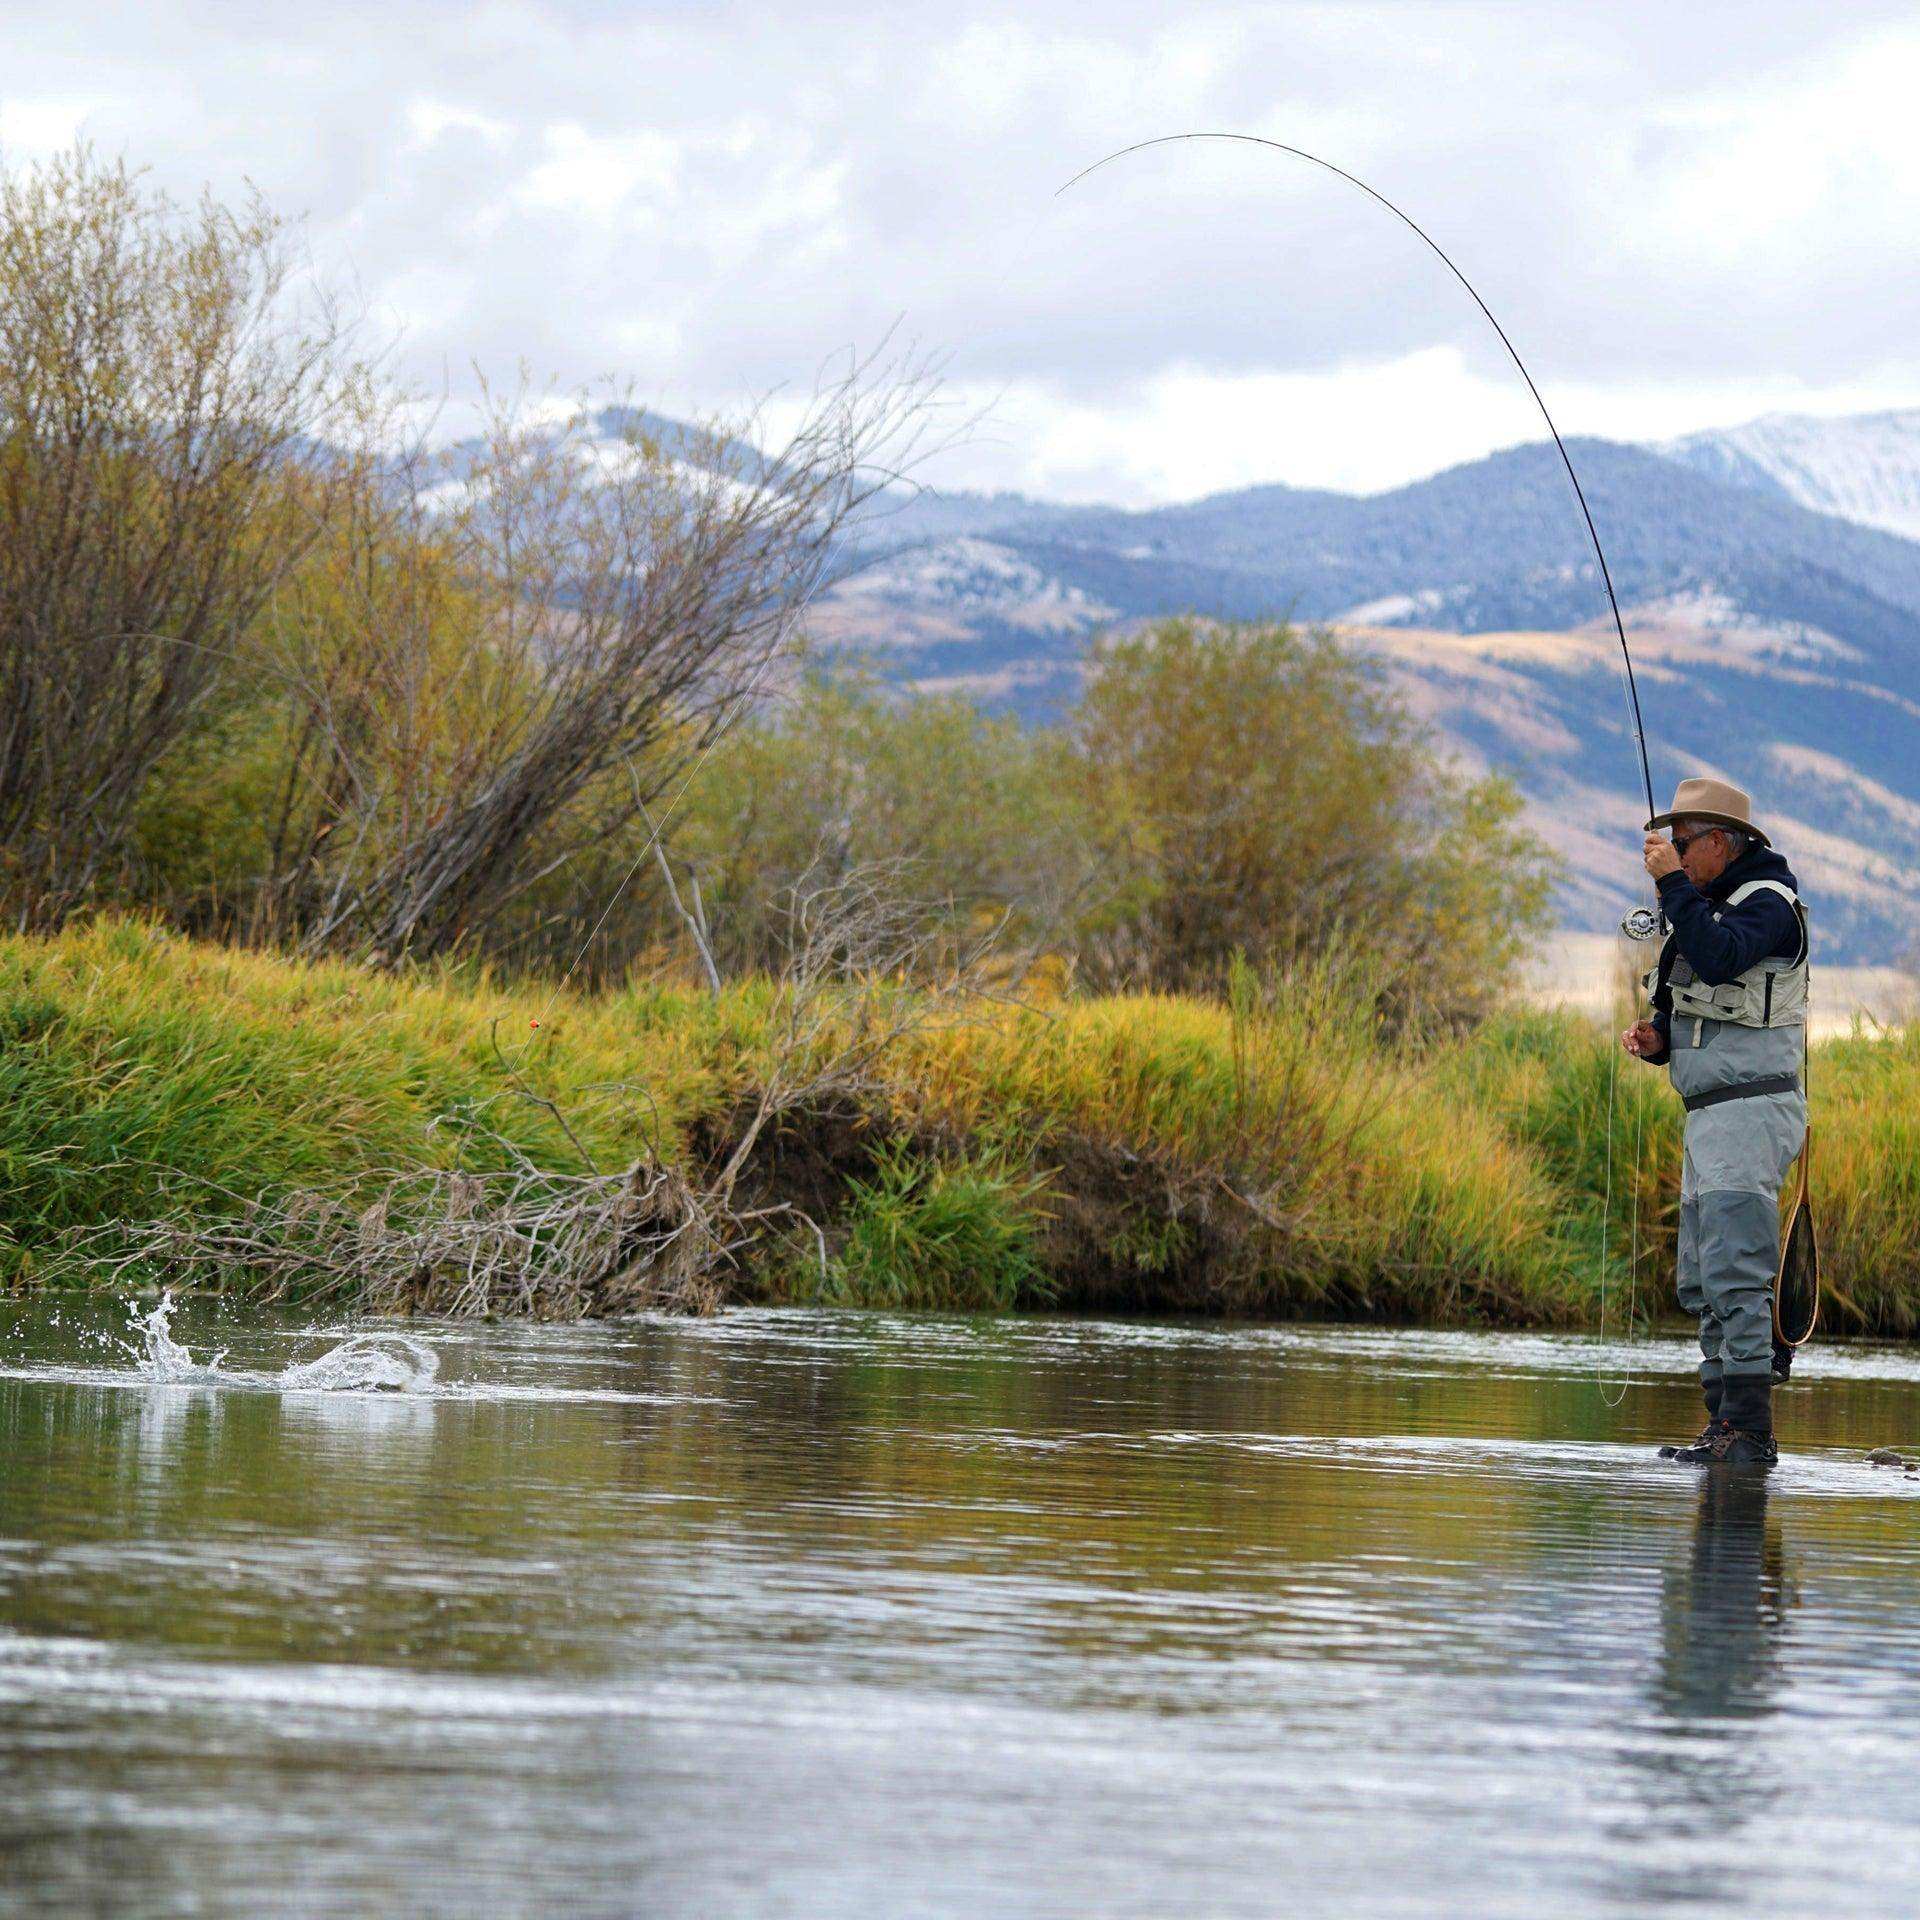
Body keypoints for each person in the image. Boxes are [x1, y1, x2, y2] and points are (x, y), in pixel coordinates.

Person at [1622, 778, 1808, 1467]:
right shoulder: (1709, 906)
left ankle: (1750, 1433)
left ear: (1722, 844)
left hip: (1751, 1112)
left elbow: (1724, 955)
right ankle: (1721, 1424)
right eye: (1671, 845)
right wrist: (1660, 1039)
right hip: (1709, 1116)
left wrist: (1672, 889)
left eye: (1683, 844)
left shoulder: (1770, 906)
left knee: (1735, 1272)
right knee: (1702, 1278)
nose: (1671, 853)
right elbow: (1694, 996)